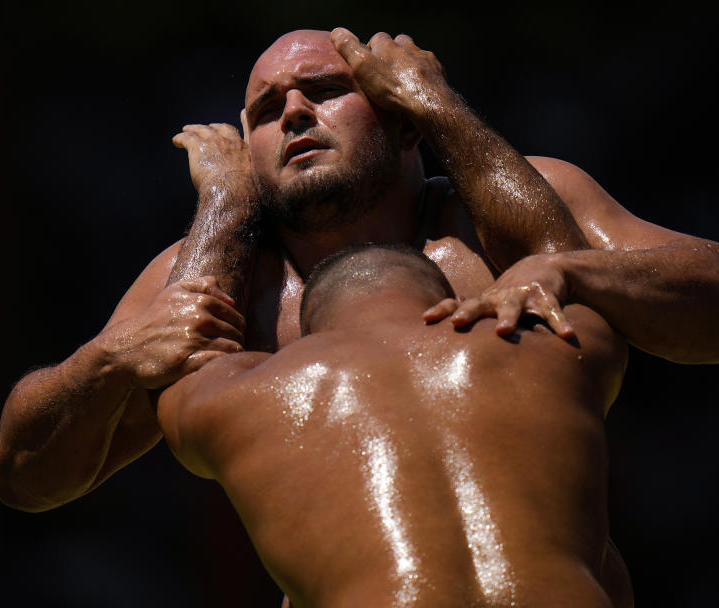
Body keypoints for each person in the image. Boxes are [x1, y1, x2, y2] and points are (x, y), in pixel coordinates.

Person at [0, 27, 719, 520]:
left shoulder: (511, 213)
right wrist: (105, 360)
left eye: (324, 91)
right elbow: (26, 478)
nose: (294, 112)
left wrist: (575, 270)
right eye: (266, 111)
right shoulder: (223, 284)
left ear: (401, 115)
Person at [159, 243, 631, 608]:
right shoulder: (569, 338)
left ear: (312, 331)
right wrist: (556, 269)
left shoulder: (237, 394)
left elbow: (175, 343)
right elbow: (558, 248)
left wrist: (226, 195)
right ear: (455, 300)